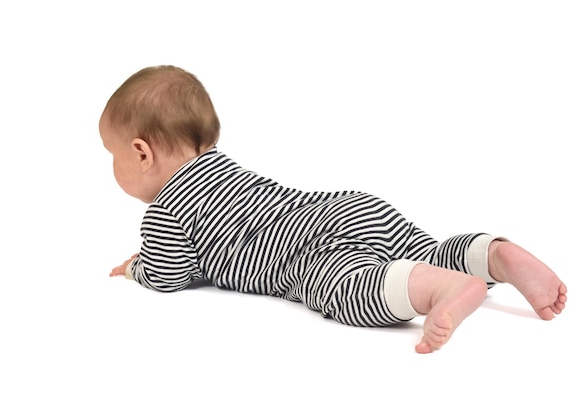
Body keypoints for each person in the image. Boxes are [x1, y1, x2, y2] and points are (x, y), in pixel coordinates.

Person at [100, 65, 567, 354]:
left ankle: (436, 290)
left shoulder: (166, 210)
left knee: (345, 287)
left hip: (308, 250)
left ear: (142, 153)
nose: (113, 166)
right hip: (347, 208)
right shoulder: (221, 163)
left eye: (112, 154)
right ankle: (490, 257)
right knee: (426, 249)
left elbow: (169, 275)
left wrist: (139, 267)